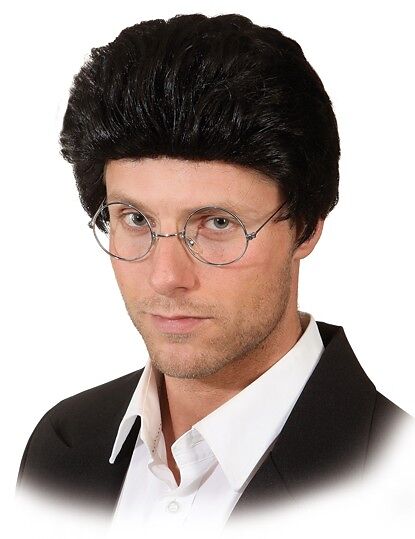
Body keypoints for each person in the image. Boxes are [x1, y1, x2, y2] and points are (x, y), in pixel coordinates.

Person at [16, 12, 412, 533]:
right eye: (135, 220)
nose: (165, 277)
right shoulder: (61, 447)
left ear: (307, 227)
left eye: (218, 223)